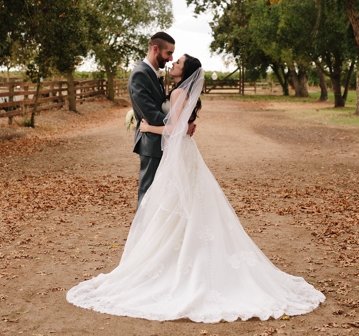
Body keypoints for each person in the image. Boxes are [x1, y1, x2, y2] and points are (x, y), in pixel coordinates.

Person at [67, 54, 325, 322]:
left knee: (179, 203)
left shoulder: (178, 93)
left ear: (185, 70)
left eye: (178, 62)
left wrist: (147, 126)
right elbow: (181, 124)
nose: (173, 63)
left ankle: (177, 260)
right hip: (184, 153)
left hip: (179, 152)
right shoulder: (181, 91)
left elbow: (174, 130)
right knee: (186, 203)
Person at [128, 32, 195, 208]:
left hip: (163, 142)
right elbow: (151, 115)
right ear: (156, 49)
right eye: (169, 53)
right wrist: (180, 126)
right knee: (148, 195)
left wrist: (181, 123)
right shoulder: (140, 74)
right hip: (152, 144)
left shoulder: (152, 73)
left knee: (160, 198)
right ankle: (142, 227)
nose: (171, 58)